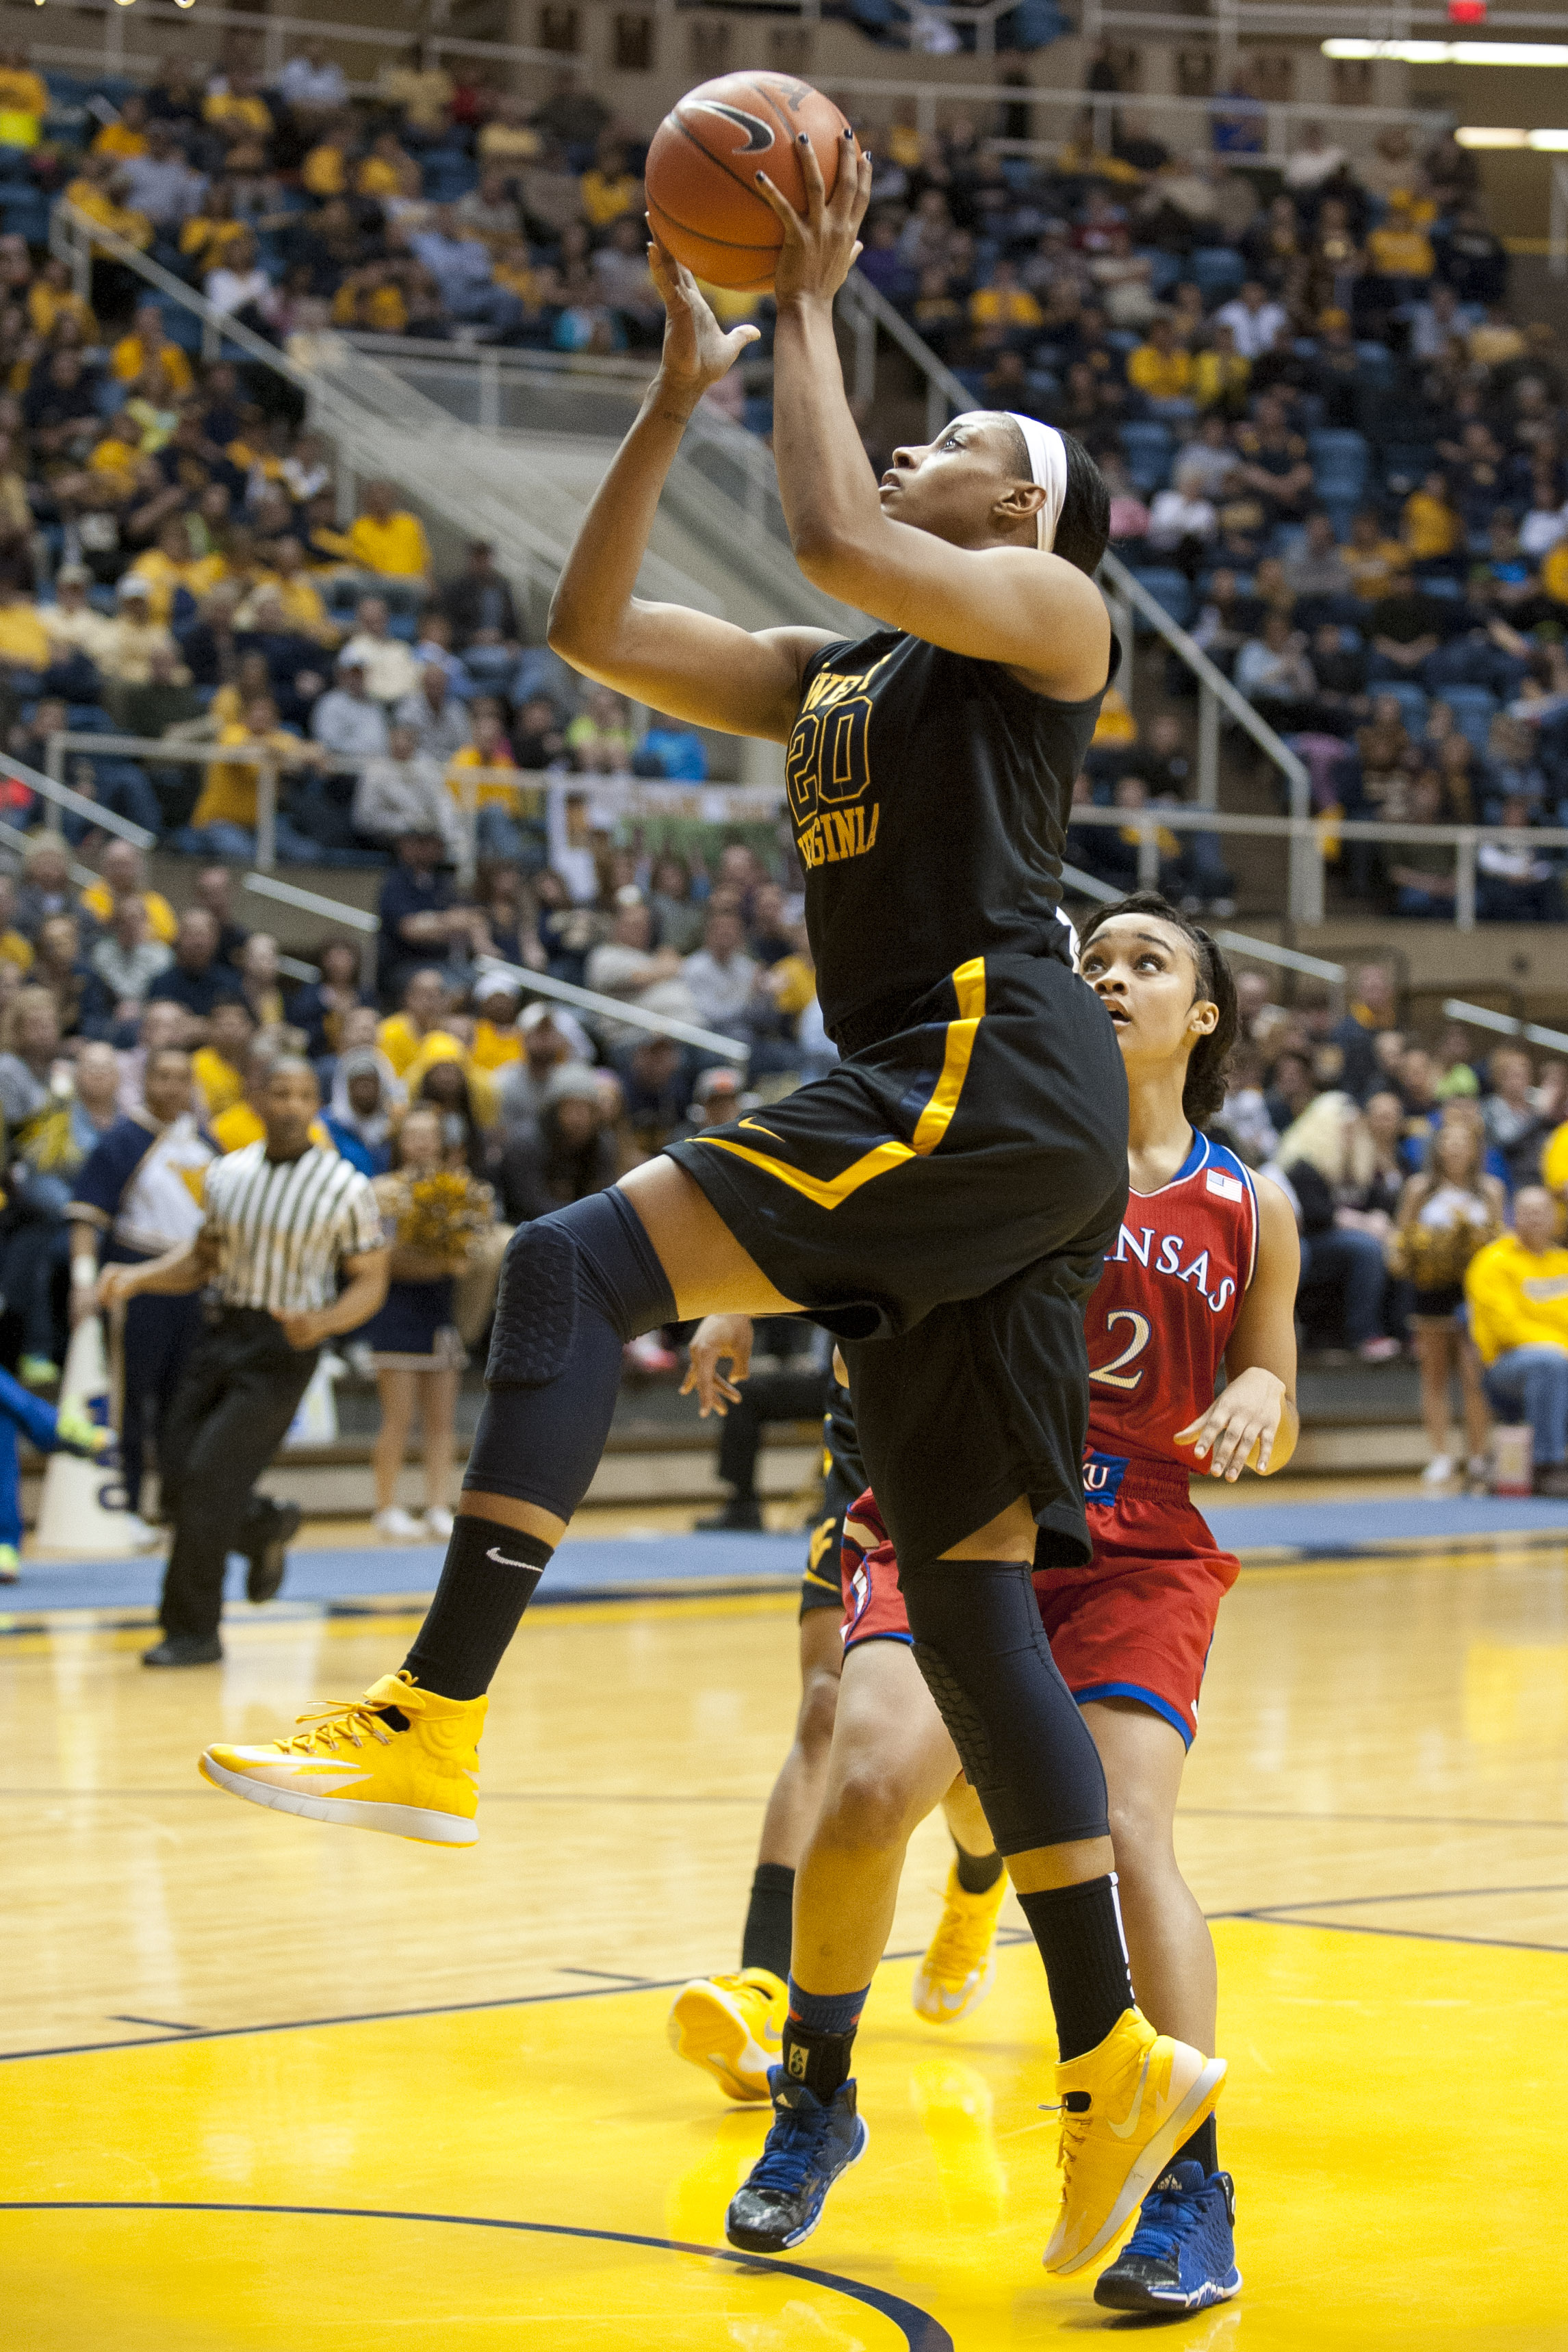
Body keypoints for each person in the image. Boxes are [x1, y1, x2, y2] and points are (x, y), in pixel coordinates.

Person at [198, 145, 1221, 2275]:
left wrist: (823, 302)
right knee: (960, 1604)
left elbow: (849, 510)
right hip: (980, 1131)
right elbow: (592, 628)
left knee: (572, 1261)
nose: (923, 448)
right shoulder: (833, 669)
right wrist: (673, 397)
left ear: (1020, 506)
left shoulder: (1051, 615)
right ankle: (1111, 2049)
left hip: (972, 1061)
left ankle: (437, 1705)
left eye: (967, 440)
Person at [709, 899, 1295, 2310]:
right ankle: (818, 2088)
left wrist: (1261, 1389)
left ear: (1198, 1015)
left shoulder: (1246, 1202)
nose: (1108, 974)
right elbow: (831, 1211)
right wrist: (736, 1292)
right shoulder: (997, 1138)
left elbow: (1269, 1388)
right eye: (1089, 957)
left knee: (1126, 1831)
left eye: (1145, 961)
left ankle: (1186, 2186)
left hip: (1134, 1548)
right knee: (860, 1782)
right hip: (958, 1510)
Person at [99, 1060, 388, 1666]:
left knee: (208, 1484)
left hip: (287, 1346)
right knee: (175, 1483)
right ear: (255, 1096)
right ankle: (260, 1526)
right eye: (278, 1091)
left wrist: (327, 1322)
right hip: (221, 1330)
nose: (289, 1104)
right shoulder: (227, 1174)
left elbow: (369, 1282)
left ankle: (192, 1632)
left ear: (315, 1104)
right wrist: (137, 1279)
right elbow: (201, 1261)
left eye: (303, 1094)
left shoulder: (344, 1185)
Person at [67, 1042, 218, 1528]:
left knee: (184, 1402)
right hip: (137, 1280)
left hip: (194, 1283)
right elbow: (87, 1219)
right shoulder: (122, 1141)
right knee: (132, 1397)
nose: (173, 1087)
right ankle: (127, 1503)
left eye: (182, 1077)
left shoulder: (206, 1144)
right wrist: (84, 1282)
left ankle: (175, 1505)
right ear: (146, 1081)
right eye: (163, 1076)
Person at [363, 1102, 493, 1542]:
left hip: (441, 1311)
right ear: (400, 1141)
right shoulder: (379, 1190)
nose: (420, 1142)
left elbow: (469, 1253)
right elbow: (375, 1258)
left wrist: (452, 1258)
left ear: (442, 1141)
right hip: (395, 1311)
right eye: (412, 1134)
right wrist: (428, 1262)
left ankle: (439, 1505)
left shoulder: (461, 1190)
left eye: (429, 1134)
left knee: (441, 1418)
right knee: (397, 1416)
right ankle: (386, 1507)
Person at [1388, 1110, 1504, 1490]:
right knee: (1434, 1376)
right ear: (1437, 1149)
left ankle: (1477, 1455)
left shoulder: (1490, 1190)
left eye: (1462, 1143)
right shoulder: (1420, 1189)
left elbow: (1500, 1243)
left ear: (1474, 1150)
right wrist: (1420, 1249)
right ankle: (1440, 1455)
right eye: (1447, 1142)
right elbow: (1399, 1241)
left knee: (1474, 1377)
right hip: (1430, 1294)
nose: (1454, 1149)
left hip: (1474, 1295)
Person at [1465, 1185, 1568, 1497]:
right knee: (1550, 1363)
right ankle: (1546, 1465)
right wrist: (1561, 1348)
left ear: (1555, 1218)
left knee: (1554, 1363)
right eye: (1528, 1212)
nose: (1536, 1219)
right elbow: (1504, 1328)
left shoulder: (1563, 1262)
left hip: (1560, 1358)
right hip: (1506, 1368)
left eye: (1543, 1212)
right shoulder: (1493, 1261)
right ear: (1514, 1217)